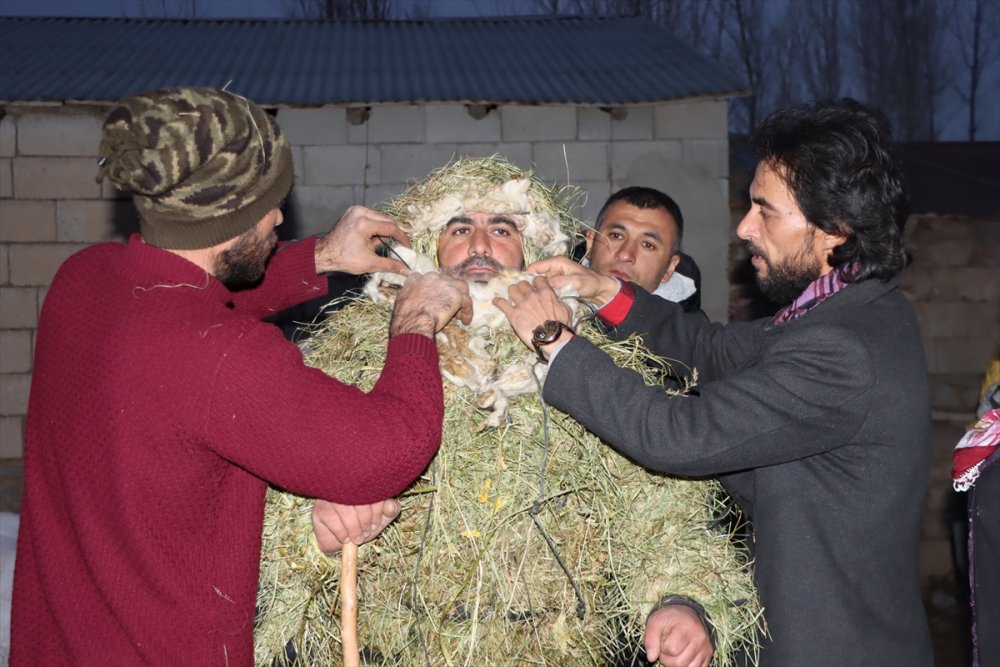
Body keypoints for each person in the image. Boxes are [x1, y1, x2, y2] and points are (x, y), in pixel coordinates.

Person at [9, 87, 472, 665]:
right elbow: (386, 449)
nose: (281, 216)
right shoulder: (224, 360)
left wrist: (322, 255)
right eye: (270, 205)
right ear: (228, 219)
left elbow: (186, 307)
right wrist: (416, 319)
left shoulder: (83, 280)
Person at [255, 157, 760, 667]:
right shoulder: (352, 356)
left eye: (501, 228)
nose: (478, 246)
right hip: (397, 647)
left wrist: (679, 601)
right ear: (428, 244)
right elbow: (270, 507)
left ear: (534, 249)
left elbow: (659, 511)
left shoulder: (590, 362)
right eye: (459, 228)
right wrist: (314, 525)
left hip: (553, 651)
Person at [496, 99, 933, 665]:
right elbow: (712, 349)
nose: (744, 228)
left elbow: (682, 434)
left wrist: (555, 341)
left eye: (764, 211)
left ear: (834, 231)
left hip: (830, 646)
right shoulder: (842, 310)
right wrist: (604, 291)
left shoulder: (843, 348)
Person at [585, 186, 701, 313]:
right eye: (616, 236)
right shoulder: (560, 303)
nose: (625, 255)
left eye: (647, 245)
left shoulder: (686, 331)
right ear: (590, 244)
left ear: (669, 268)